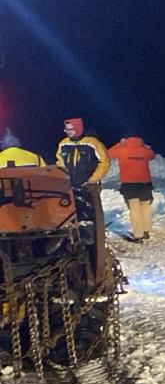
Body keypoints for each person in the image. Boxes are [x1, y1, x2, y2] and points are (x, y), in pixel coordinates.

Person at [56, 118, 111, 284]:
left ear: (79, 129)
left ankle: (91, 245)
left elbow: (104, 162)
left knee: (89, 218)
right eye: (66, 129)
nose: (67, 132)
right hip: (69, 187)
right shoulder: (63, 144)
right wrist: (62, 179)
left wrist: (93, 180)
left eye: (70, 129)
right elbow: (60, 162)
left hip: (88, 187)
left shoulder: (92, 143)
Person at [108, 134, 157, 242]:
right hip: (145, 183)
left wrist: (119, 144)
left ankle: (138, 235)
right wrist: (147, 147)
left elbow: (109, 153)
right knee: (146, 206)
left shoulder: (122, 149)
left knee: (134, 208)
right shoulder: (144, 150)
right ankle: (146, 231)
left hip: (129, 183)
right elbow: (152, 156)